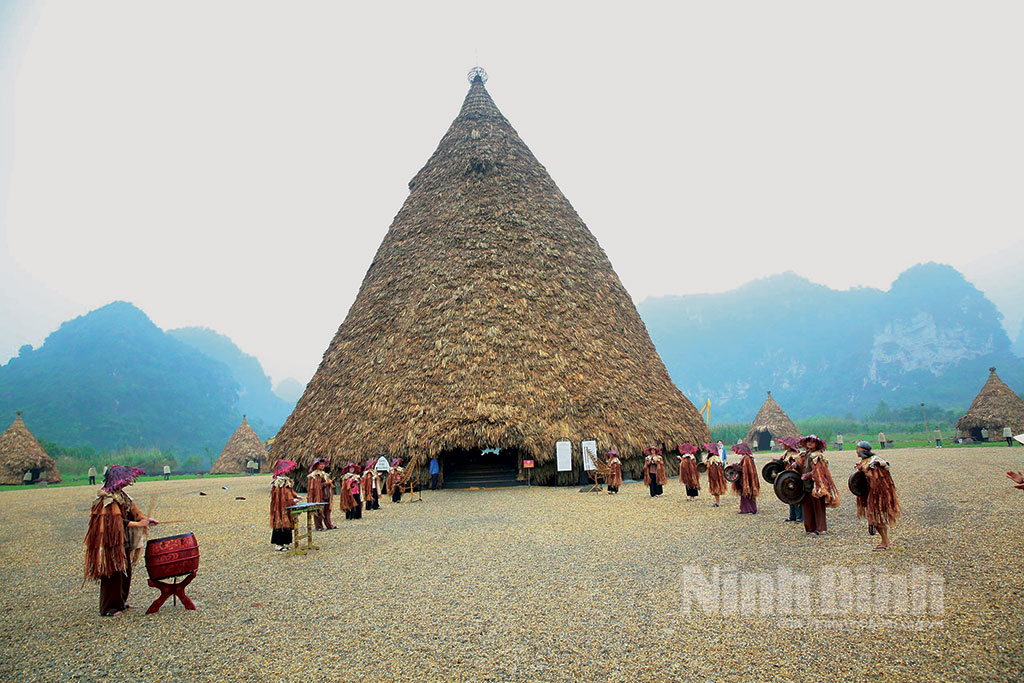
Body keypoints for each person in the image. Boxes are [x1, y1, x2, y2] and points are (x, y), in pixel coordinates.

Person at [84, 465, 158, 616]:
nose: (127, 483)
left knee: (125, 571)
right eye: (124, 481)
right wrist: (138, 524)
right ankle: (109, 608)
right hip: (109, 542)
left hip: (121, 540)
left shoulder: (121, 496)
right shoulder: (106, 499)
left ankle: (120, 602)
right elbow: (114, 522)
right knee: (112, 572)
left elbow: (133, 511)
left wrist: (145, 519)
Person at [854, 441, 901, 551]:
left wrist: (864, 470)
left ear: (862, 451)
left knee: (877, 518)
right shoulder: (866, 460)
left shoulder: (876, 462)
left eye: (857, 449)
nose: (856, 451)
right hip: (871, 493)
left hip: (878, 494)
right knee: (875, 518)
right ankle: (885, 541)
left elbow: (876, 479)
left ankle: (885, 542)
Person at [798, 435, 839, 536]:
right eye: (808, 441)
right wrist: (796, 466)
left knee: (818, 506)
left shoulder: (818, 456)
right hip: (806, 485)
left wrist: (809, 475)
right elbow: (802, 467)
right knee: (807, 506)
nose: (810, 443)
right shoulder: (805, 455)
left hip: (816, 485)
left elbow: (820, 471)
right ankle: (810, 528)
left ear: (816, 444)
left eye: (812, 442)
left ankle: (820, 528)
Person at [270, 460, 300, 551]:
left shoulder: (286, 481)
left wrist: (295, 496)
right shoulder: (278, 483)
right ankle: (278, 544)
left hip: (287, 507)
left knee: (288, 523)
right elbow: (281, 497)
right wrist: (292, 500)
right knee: (280, 523)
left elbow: (290, 491)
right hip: (280, 508)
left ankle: (286, 543)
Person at [777, 437, 803, 522]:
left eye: (784, 444)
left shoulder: (795, 454)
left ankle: (799, 517)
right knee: (789, 496)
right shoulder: (786, 453)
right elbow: (781, 463)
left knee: (796, 498)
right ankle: (792, 516)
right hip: (787, 477)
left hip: (794, 478)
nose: (783, 445)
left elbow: (799, 466)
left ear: (788, 445)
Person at [306, 457, 336, 530]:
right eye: (320, 464)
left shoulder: (324, 474)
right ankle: (319, 527)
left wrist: (330, 483)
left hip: (326, 495)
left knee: (327, 511)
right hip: (319, 496)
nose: (322, 466)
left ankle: (329, 525)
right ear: (317, 465)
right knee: (319, 511)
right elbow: (316, 486)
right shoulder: (315, 475)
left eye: (323, 464)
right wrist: (326, 483)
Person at [731, 444, 758, 514]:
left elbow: (745, 469)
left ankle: (750, 509)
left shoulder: (747, 458)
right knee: (745, 494)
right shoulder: (746, 457)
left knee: (747, 493)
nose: (737, 451)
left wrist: (735, 466)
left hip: (747, 479)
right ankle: (745, 509)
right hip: (746, 479)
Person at [704, 443, 727, 507]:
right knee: (716, 488)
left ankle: (718, 502)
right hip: (718, 476)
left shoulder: (713, 459)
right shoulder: (717, 458)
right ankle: (717, 502)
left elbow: (712, 468)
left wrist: (707, 465)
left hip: (714, 477)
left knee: (715, 488)